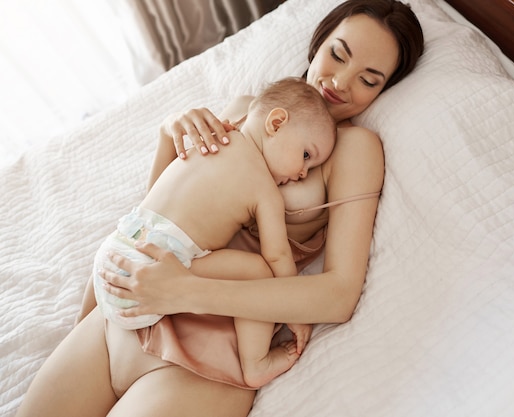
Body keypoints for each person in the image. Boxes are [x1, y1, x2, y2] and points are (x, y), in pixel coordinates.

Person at [16, 1, 424, 416]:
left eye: (369, 80)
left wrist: (186, 290)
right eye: (338, 54)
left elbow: (339, 294)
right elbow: (162, 212)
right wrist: (166, 138)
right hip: (131, 308)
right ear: (318, 44)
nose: (340, 81)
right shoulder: (246, 110)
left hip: (210, 354)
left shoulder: (354, 148)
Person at [91, 77, 335, 387]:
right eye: (306, 156)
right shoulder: (265, 190)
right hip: (147, 274)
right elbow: (277, 257)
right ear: (275, 123)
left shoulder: (212, 138)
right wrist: (294, 313)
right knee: (258, 271)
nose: (302, 173)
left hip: (114, 255)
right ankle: (256, 362)